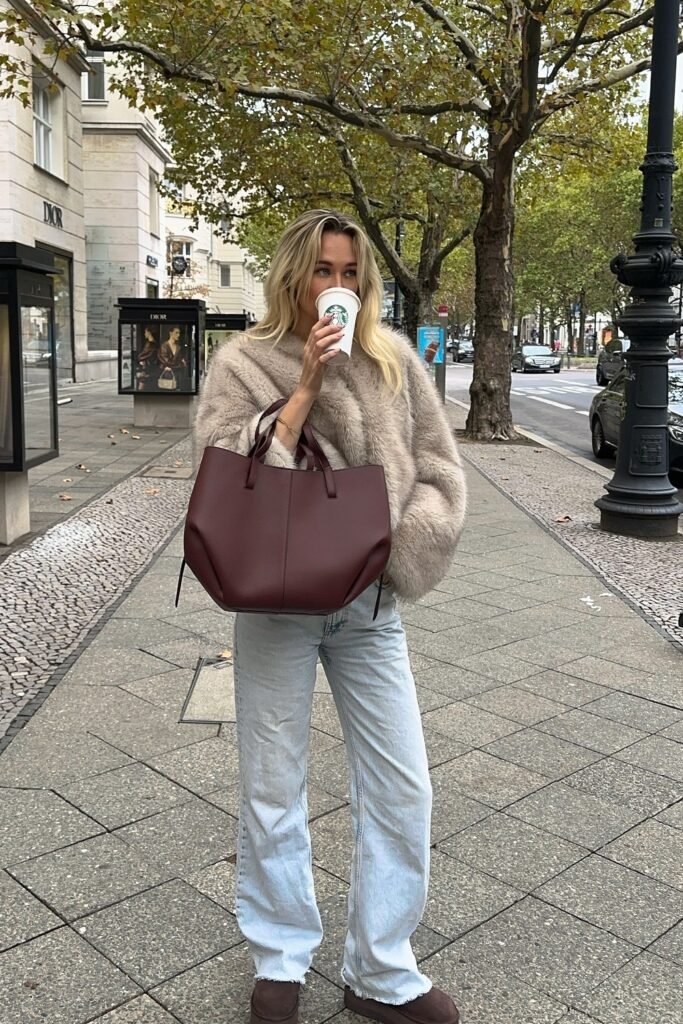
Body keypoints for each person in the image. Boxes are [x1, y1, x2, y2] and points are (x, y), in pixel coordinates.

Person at [194, 210, 467, 1024]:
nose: (338, 287)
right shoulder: (241, 361)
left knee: (401, 787)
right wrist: (306, 386)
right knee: (272, 783)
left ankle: (380, 969)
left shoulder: (394, 363)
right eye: (324, 271)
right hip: (275, 600)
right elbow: (221, 467)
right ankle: (279, 956)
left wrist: (393, 547)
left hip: (370, 602)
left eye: (352, 274)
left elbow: (435, 469)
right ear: (293, 276)